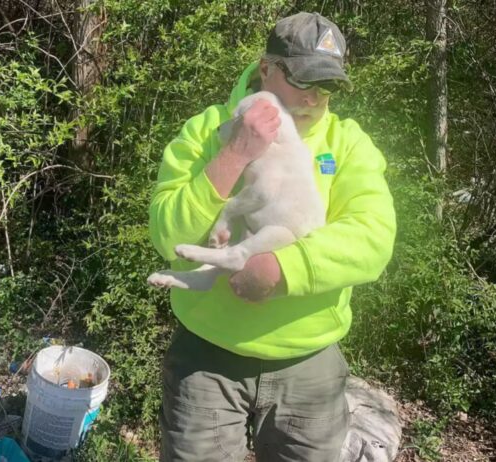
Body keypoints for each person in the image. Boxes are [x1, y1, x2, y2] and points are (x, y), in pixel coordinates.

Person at [148, 11, 396, 462]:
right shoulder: (208, 130)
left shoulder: (347, 144)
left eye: (328, 86)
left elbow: (373, 238)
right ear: (266, 69)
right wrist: (237, 151)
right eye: (303, 80)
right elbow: (169, 235)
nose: (315, 97)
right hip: (208, 359)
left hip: (310, 367)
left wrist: (281, 267)